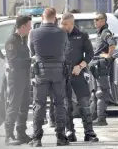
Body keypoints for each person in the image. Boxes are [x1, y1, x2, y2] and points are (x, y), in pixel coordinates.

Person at [28, 8, 69, 147]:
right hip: (58, 71)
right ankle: (61, 138)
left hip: (41, 71)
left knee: (39, 104)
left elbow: (32, 51)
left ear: (42, 17)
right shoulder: (62, 33)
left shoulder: (33, 32)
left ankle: (37, 139)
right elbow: (66, 50)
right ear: (55, 18)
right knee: (59, 104)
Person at [60, 12, 99, 142]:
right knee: (67, 105)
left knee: (84, 103)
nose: (62, 25)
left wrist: (80, 66)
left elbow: (90, 53)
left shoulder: (82, 35)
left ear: (71, 24)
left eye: (64, 24)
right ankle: (70, 131)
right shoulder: (59, 35)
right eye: (61, 23)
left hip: (78, 74)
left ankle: (89, 132)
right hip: (64, 75)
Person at [4, 16, 32, 145]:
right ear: (22, 27)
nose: (30, 28)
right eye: (29, 26)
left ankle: (21, 133)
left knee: (24, 106)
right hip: (16, 78)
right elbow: (13, 61)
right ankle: (8, 135)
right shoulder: (12, 41)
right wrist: (30, 61)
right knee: (14, 106)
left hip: (25, 77)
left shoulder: (23, 39)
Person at [90, 13, 117, 126]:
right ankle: (94, 117)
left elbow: (112, 44)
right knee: (95, 93)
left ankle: (101, 119)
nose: (95, 21)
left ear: (103, 20)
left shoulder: (105, 32)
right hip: (96, 65)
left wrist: (108, 56)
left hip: (101, 66)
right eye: (94, 19)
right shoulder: (100, 33)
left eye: (97, 19)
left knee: (101, 93)